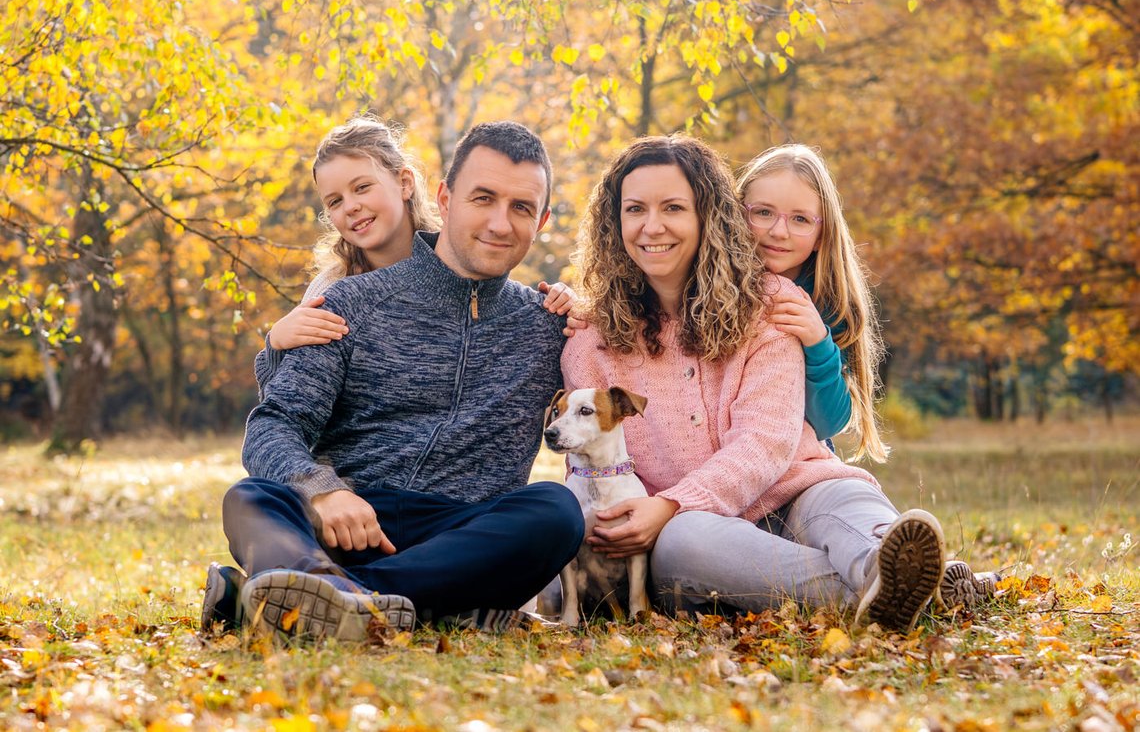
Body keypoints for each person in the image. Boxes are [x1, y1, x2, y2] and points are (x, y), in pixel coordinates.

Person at [561, 135, 992, 631]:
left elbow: (766, 444)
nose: (652, 226)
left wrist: (672, 501)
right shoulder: (589, 341)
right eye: (635, 208)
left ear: (709, 215)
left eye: (674, 208)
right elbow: (595, 463)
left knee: (843, 498)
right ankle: (914, 595)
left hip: (795, 490)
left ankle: (882, 567)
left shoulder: (771, 303)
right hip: (689, 526)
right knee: (684, 545)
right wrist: (665, 508)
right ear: (613, 222)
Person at [202, 121, 585, 641]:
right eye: (483, 198)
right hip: (351, 518)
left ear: (540, 220)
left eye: (520, 207)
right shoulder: (346, 303)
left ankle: (320, 599)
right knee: (252, 498)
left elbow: (637, 361)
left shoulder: (549, 325)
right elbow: (274, 424)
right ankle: (393, 601)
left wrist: (587, 312)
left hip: (463, 536)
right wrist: (325, 493)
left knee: (555, 511)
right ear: (446, 197)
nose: (500, 222)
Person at [253, 115, 576, 397]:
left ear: (405, 182)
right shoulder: (332, 290)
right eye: (335, 201)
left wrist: (560, 298)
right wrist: (276, 347)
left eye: (362, 187)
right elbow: (284, 400)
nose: (350, 206)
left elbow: (490, 291)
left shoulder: (454, 252)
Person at [737, 144, 887, 460]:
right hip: (725, 451)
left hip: (800, 458)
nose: (779, 231)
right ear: (736, 214)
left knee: (850, 494)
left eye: (800, 219)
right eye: (763, 212)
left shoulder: (828, 303)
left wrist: (818, 344)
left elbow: (828, 424)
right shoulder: (707, 286)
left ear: (822, 234)